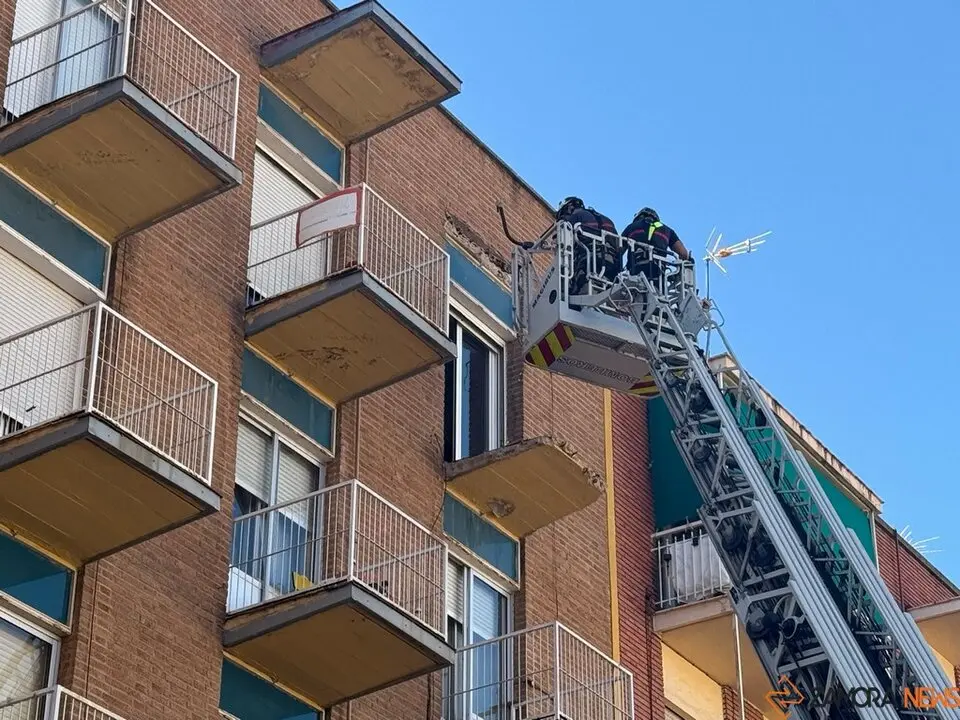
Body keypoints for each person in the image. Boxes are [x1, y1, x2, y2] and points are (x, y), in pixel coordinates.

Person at [555, 196, 620, 295]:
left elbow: (561, 241)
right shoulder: (607, 220)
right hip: (611, 263)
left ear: (569, 207)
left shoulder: (575, 216)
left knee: (577, 293)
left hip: (589, 261)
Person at [622, 207, 691, 289]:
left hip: (636, 269)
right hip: (657, 272)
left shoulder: (631, 227)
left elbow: (618, 250)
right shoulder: (667, 230)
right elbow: (683, 253)